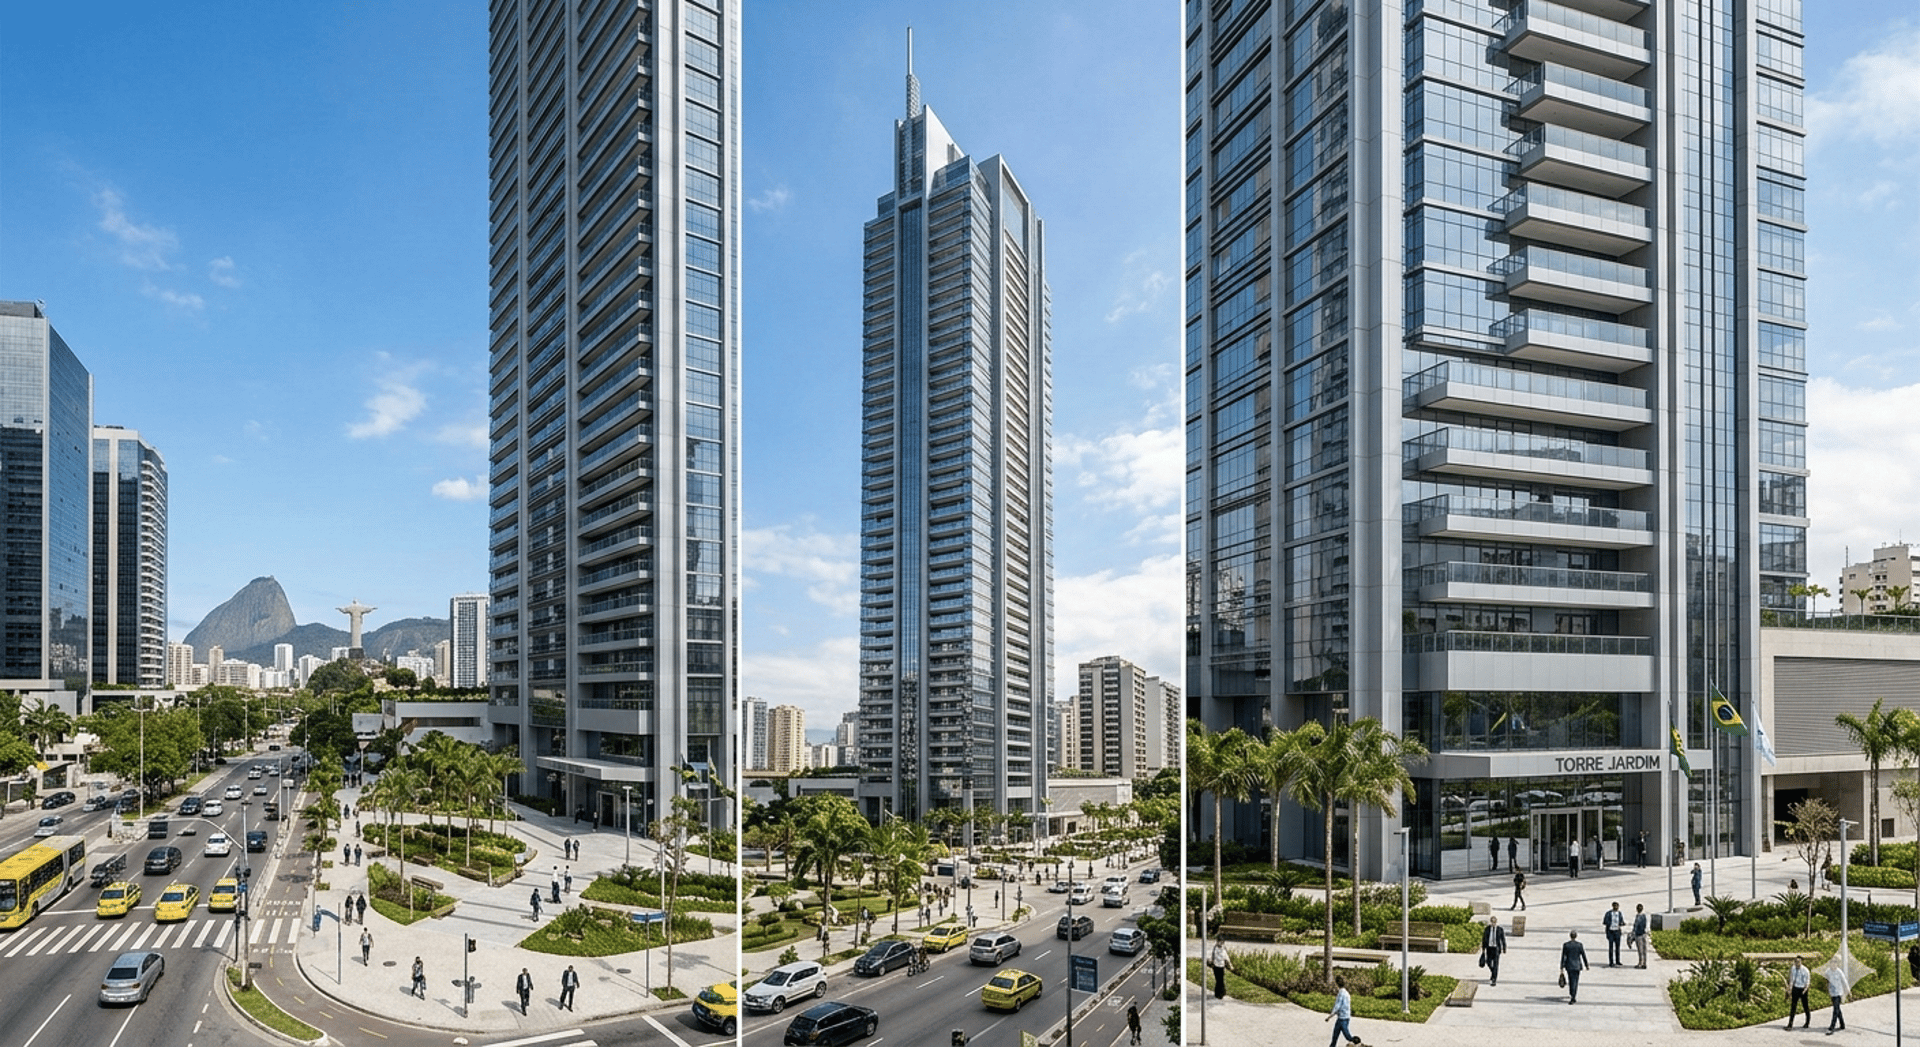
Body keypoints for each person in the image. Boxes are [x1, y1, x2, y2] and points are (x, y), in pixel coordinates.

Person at [1325, 975, 1361, 1047]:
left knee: (1347, 1036)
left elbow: (1337, 1006)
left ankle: (1357, 1042)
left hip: (1342, 1018)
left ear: (1337, 984)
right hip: (1345, 1017)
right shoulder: (1347, 993)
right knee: (1335, 1034)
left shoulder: (1341, 993)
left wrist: (1329, 1016)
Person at [1560, 930, 1590, 1004]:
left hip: (1569, 965)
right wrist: (1586, 965)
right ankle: (1573, 995)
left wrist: (1561, 966)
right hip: (1577, 965)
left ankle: (1572, 993)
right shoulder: (1579, 945)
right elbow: (1583, 955)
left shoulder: (1566, 945)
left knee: (1571, 980)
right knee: (1575, 981)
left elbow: (1563, 956)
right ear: (1576, 936)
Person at [1786, 957, 1813, 1030]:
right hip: (1795, 988)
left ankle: (1807, 1022)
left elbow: (1807, 982)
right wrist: (1789, 989)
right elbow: (1791, 980)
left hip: (1803, 989)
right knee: (1793, 1007)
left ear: (1801, 962)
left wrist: (1804, 991)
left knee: (1805, 1006)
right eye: (1796, 961)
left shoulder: (1805, 970)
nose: (1797, 963)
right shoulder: (1793, 969)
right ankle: (1790, 1024)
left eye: (1798, 961)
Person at [1481, 915, 1507, 987]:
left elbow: (1503, 939)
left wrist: (1504, 947)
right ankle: (1493, 973)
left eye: (1494, 922)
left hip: (1496, 949)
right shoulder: (1487, 929)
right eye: (1492, 922)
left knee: (1496, 964)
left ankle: (1494, 979)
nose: (1493, 924)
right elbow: (1484, 938)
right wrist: (1483, 948)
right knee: (1488, 962)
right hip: (1489, 948)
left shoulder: (1500, 929)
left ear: (1496, 922)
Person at [1827, 962, 1849, 1033]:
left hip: (1839, 993)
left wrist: (1848, 990)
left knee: (1835, 1010)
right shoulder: (1828, 971)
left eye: (1835, 965)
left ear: (1837, 965)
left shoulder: (1839, 972)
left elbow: (1844, 981)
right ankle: (1842, 1024)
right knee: (1837, 1009)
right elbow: (1827, 981)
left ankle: (1832, 1026)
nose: (1833, 966)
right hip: (1832, 993)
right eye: (1832, 965)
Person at [1602, 901, 1626, 966]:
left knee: (1617, 947)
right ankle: (1611, 961)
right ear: (1612, 906)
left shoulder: (1619, 913)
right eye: (1615, 906)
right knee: (1611, 947)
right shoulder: (1609, 913)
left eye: (1617, 906)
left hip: (1617, 931)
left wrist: (1622, 923)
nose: (1616, 908)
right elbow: (1604, 922)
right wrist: (1609, 924)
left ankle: (1617, 960)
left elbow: (1621, 921)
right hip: (1611, 931)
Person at [1631, 904, 1650, 968]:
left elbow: (1636, 926)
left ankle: (1641, 963)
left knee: (1641, 950)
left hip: (1640, 934)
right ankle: (1644, 963)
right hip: (1643, 934)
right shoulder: (1644, 916)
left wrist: (1633, 933)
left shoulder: (1640, 916)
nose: (1639, 909)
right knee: (1643, 949)